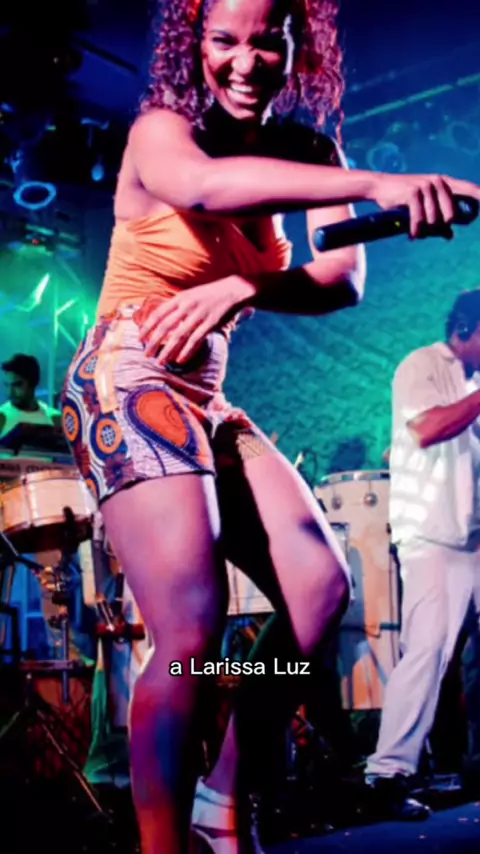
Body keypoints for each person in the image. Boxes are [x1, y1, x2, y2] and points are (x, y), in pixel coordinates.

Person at [60, 0, 480, 851]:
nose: (245, 62)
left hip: (206, 395)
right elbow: (206, 189)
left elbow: (341, 279)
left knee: (319, 590)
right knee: (190, 631)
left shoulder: (308, 152)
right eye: (224, 40)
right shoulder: (161, 131)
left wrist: (246, 284)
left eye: (267, 41)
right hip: (127, 371)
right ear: (194, 44)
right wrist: (379, 185)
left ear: (297, 44)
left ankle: (223, 796)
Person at [364, 289, 480, 820]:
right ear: (467, 328)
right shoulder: (423, 364)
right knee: (427, 652)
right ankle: (387, 773)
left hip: (473, 537)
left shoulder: (472, 383)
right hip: (432, 538)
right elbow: (427, 428)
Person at [0, 353, 61, 439]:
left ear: (33, 382)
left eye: (17, 385)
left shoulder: (54, 419)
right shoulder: (2, 418)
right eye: (7, 385)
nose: (10, 392)